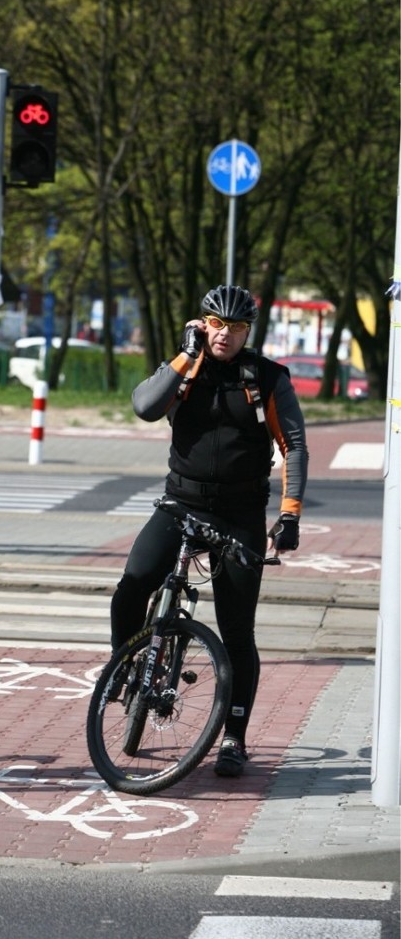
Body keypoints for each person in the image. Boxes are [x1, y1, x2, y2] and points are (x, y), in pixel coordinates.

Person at [109, 284, 308, 778]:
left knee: (237, 631)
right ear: (202, 323)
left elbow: (296, 446)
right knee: (135, 581)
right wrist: (185, 355)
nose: (225, 334)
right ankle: (126, 665)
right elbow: (144, 406)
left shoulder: (266, 377)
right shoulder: (186, 366)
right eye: (217, 324)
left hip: (239, 514)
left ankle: (234, 737)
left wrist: (290, 513)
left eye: (236, 327)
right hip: (180, 503)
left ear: (247, 332)